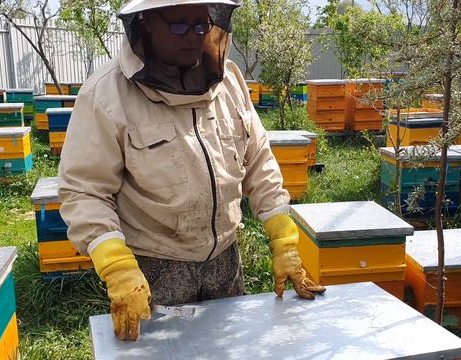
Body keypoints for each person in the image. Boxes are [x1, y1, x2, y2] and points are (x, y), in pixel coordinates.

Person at [58, 0, 325, 342]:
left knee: (227, 349)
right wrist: (116, 265)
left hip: (225, 258)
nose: (194, 37)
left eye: (201, 26)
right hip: (153, 266)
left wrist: (283, 237)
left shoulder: (229, 82)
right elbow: (84, 190)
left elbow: (257, 158)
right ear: (147, 23)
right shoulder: (107, 94)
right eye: (180, 26)